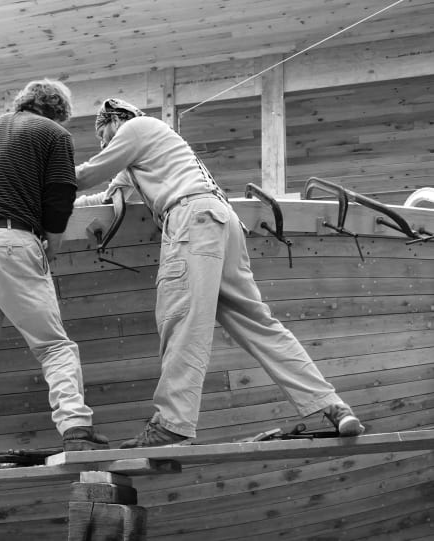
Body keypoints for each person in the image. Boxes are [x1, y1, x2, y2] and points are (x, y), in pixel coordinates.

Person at [74, 98, 365, 447]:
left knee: (180, 319)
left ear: (117, 117)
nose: (105, 144)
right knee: (260, 325)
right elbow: (107, 197)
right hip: (222, 223)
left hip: (191, 222)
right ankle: (334, 407)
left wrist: (36, 188)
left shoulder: (137, 128)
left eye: (104, 135)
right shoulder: (152, 152)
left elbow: (87, 174)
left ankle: (172, 423)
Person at [0, 79, 109, 469]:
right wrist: (53, 240)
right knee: (53, 346)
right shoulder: (55, 133)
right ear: (60, 110)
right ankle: (76, 430)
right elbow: (60, 192)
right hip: (12, 239)